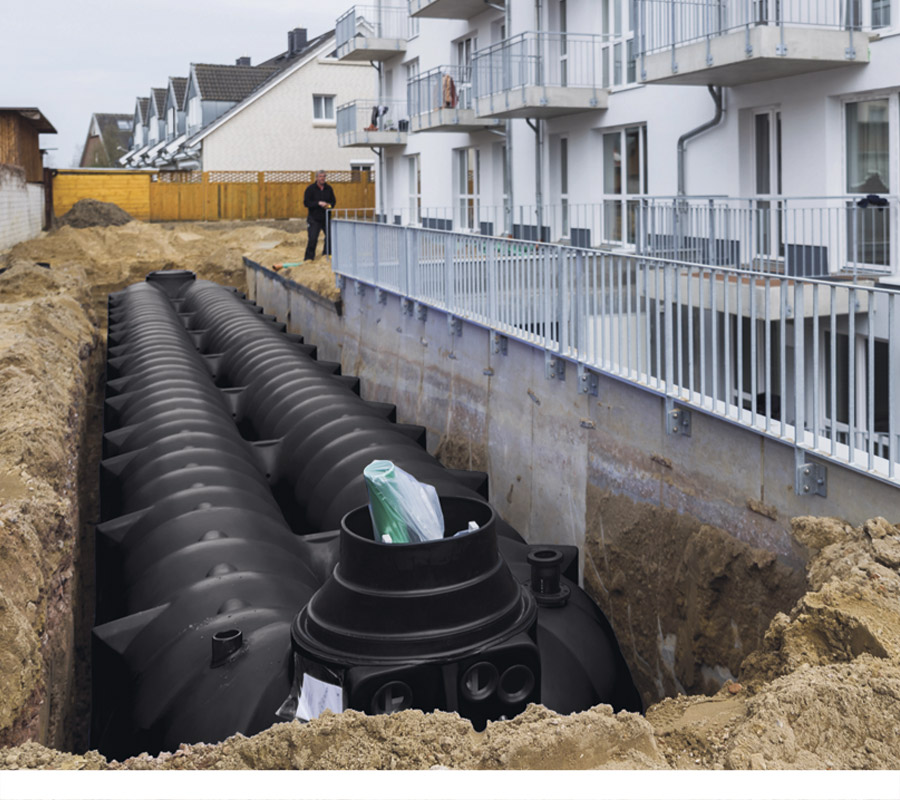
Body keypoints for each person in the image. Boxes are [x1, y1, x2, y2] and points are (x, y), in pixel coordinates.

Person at [304, 170, 336, 260]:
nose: (322, 178)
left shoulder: (329, 189)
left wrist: (328, 206)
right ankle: (309, 258)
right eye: (321, 176)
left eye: (324, 176)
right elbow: (306, 203)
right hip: (314, 218)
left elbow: (333, 202)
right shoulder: (310, 189)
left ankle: (326, 255)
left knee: (330, 237)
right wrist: (318, 203)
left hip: (326, 218)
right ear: (317, 178)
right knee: (313, 239)